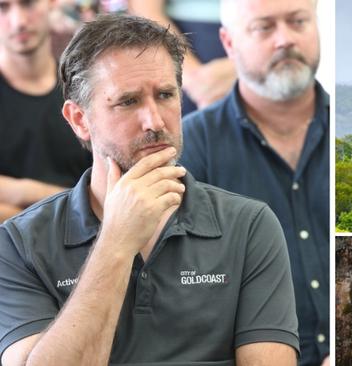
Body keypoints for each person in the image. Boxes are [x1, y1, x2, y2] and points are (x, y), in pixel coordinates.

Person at [0, 14, 298, 366]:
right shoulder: (20, 244)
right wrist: (115, 241)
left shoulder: (250, 227)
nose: (155, 121)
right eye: (128, 101)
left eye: (166, 95)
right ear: (79, 119)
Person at [179, 0, 329, 365]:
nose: (285, 40)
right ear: (228, 44)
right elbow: (180, 299)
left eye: (298, 22)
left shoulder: (350, 130)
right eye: (264, 27)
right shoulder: (191, 147)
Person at [0, 0, 92, 222]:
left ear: (52, 3)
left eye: (28, 3)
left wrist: (18, 192)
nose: (19, 22)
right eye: (3, 7)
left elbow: (107, 192)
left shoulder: (85, 89)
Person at [129, 0, 236, 115]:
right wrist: (193, 79)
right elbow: (144, 10)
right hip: (180, 76)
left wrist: (239, 70)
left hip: (248, 71)